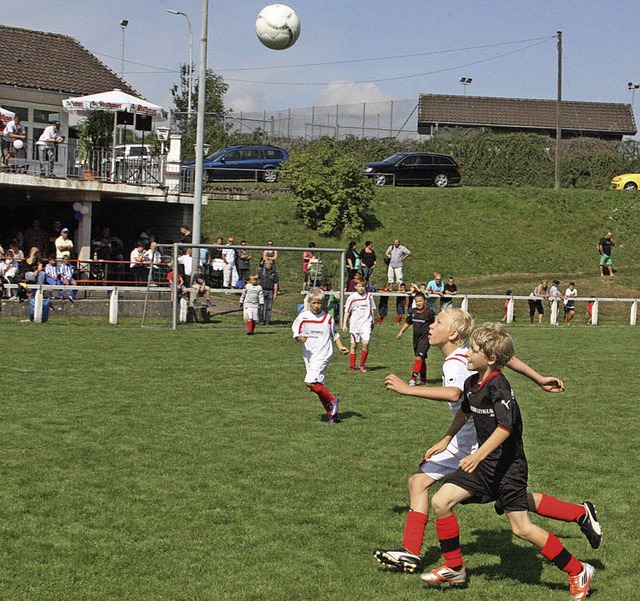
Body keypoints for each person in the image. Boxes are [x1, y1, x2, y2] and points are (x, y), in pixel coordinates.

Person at [375, 311, 601, 581]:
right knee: (452, 497)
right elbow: (496, 369)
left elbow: (459, 395)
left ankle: (578, 568)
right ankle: (577, 515)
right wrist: (538, 378)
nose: (430, 326)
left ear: (454, 334)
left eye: (437, 322)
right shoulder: (474, 365)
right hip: (475, 447)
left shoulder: (465, 366)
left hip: (480, 449)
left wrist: (408, 389)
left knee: (516, 520)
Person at [292, 287, 349, 423]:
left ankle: (332, 399)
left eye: (319, 303)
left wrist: (340, 346)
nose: (317, 306)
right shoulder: (303, 317)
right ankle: (332, 415)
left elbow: (334, 334)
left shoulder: (328, 318)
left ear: (323, 303)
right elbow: (295, 333)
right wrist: (300, 338)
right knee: (316, 386)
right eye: (314, 303)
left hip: (324, 353)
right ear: (309, 302)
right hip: (309, 355)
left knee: (309, 382)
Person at [396, 291, 435, 386]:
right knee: (421, 358)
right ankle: (423, 379)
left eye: (420, 301)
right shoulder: (413, 311)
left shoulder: (429, 312)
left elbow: (436, 324)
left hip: (425, 339)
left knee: (418, 357)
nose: (419, 303)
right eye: (417, 301)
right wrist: (401, 332)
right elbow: (408, 322)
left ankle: (413, 379)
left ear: (424, 301)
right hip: (416, 339)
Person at [342, 276, 376, 373]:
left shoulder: (369, 296)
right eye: (359, 286)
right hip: (355, 324)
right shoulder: (352, 298)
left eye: (363, 286)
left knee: (365, 342)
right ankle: (352, 367)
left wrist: (373, 321)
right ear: (355, 287)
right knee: (354, 345)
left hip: (366, 323)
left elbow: (372, 309)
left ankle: (362, 365)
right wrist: (344, 323)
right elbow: (347, 311)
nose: (361, 288)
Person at [257, 258, 279, 325]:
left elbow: (276, 283)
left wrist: (275, 293)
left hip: (270, 291)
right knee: (261, 307)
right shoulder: (261, 272)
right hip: (262, 291)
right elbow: (257, 280)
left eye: (270, 264)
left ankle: (267, 321)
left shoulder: (274, 273)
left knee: (269, 308)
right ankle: (261, 320)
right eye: (267, 263)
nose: (268, 265)